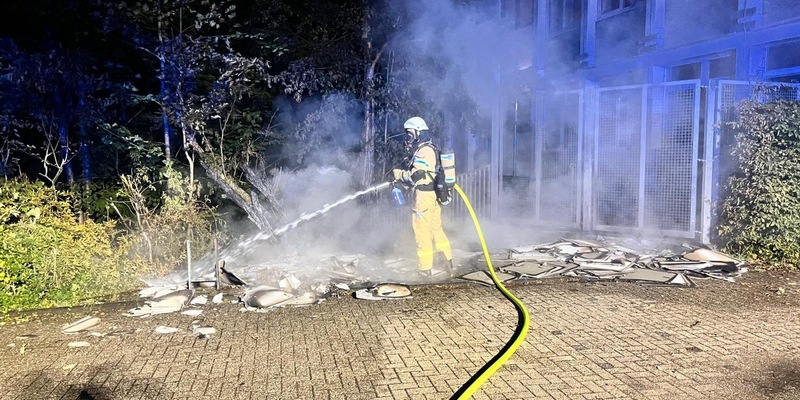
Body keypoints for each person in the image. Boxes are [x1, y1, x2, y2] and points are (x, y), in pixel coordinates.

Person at [393, 117, 455, 279]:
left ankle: (424, 269)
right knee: (436, 228)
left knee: (421, 231)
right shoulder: (430, 147)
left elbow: (417, 175)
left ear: (419, 132)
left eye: (410, 133)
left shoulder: (423, 150)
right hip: (433, 195)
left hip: (424, 197)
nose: (408, 137)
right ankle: (447, 262)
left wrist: (399, 174)